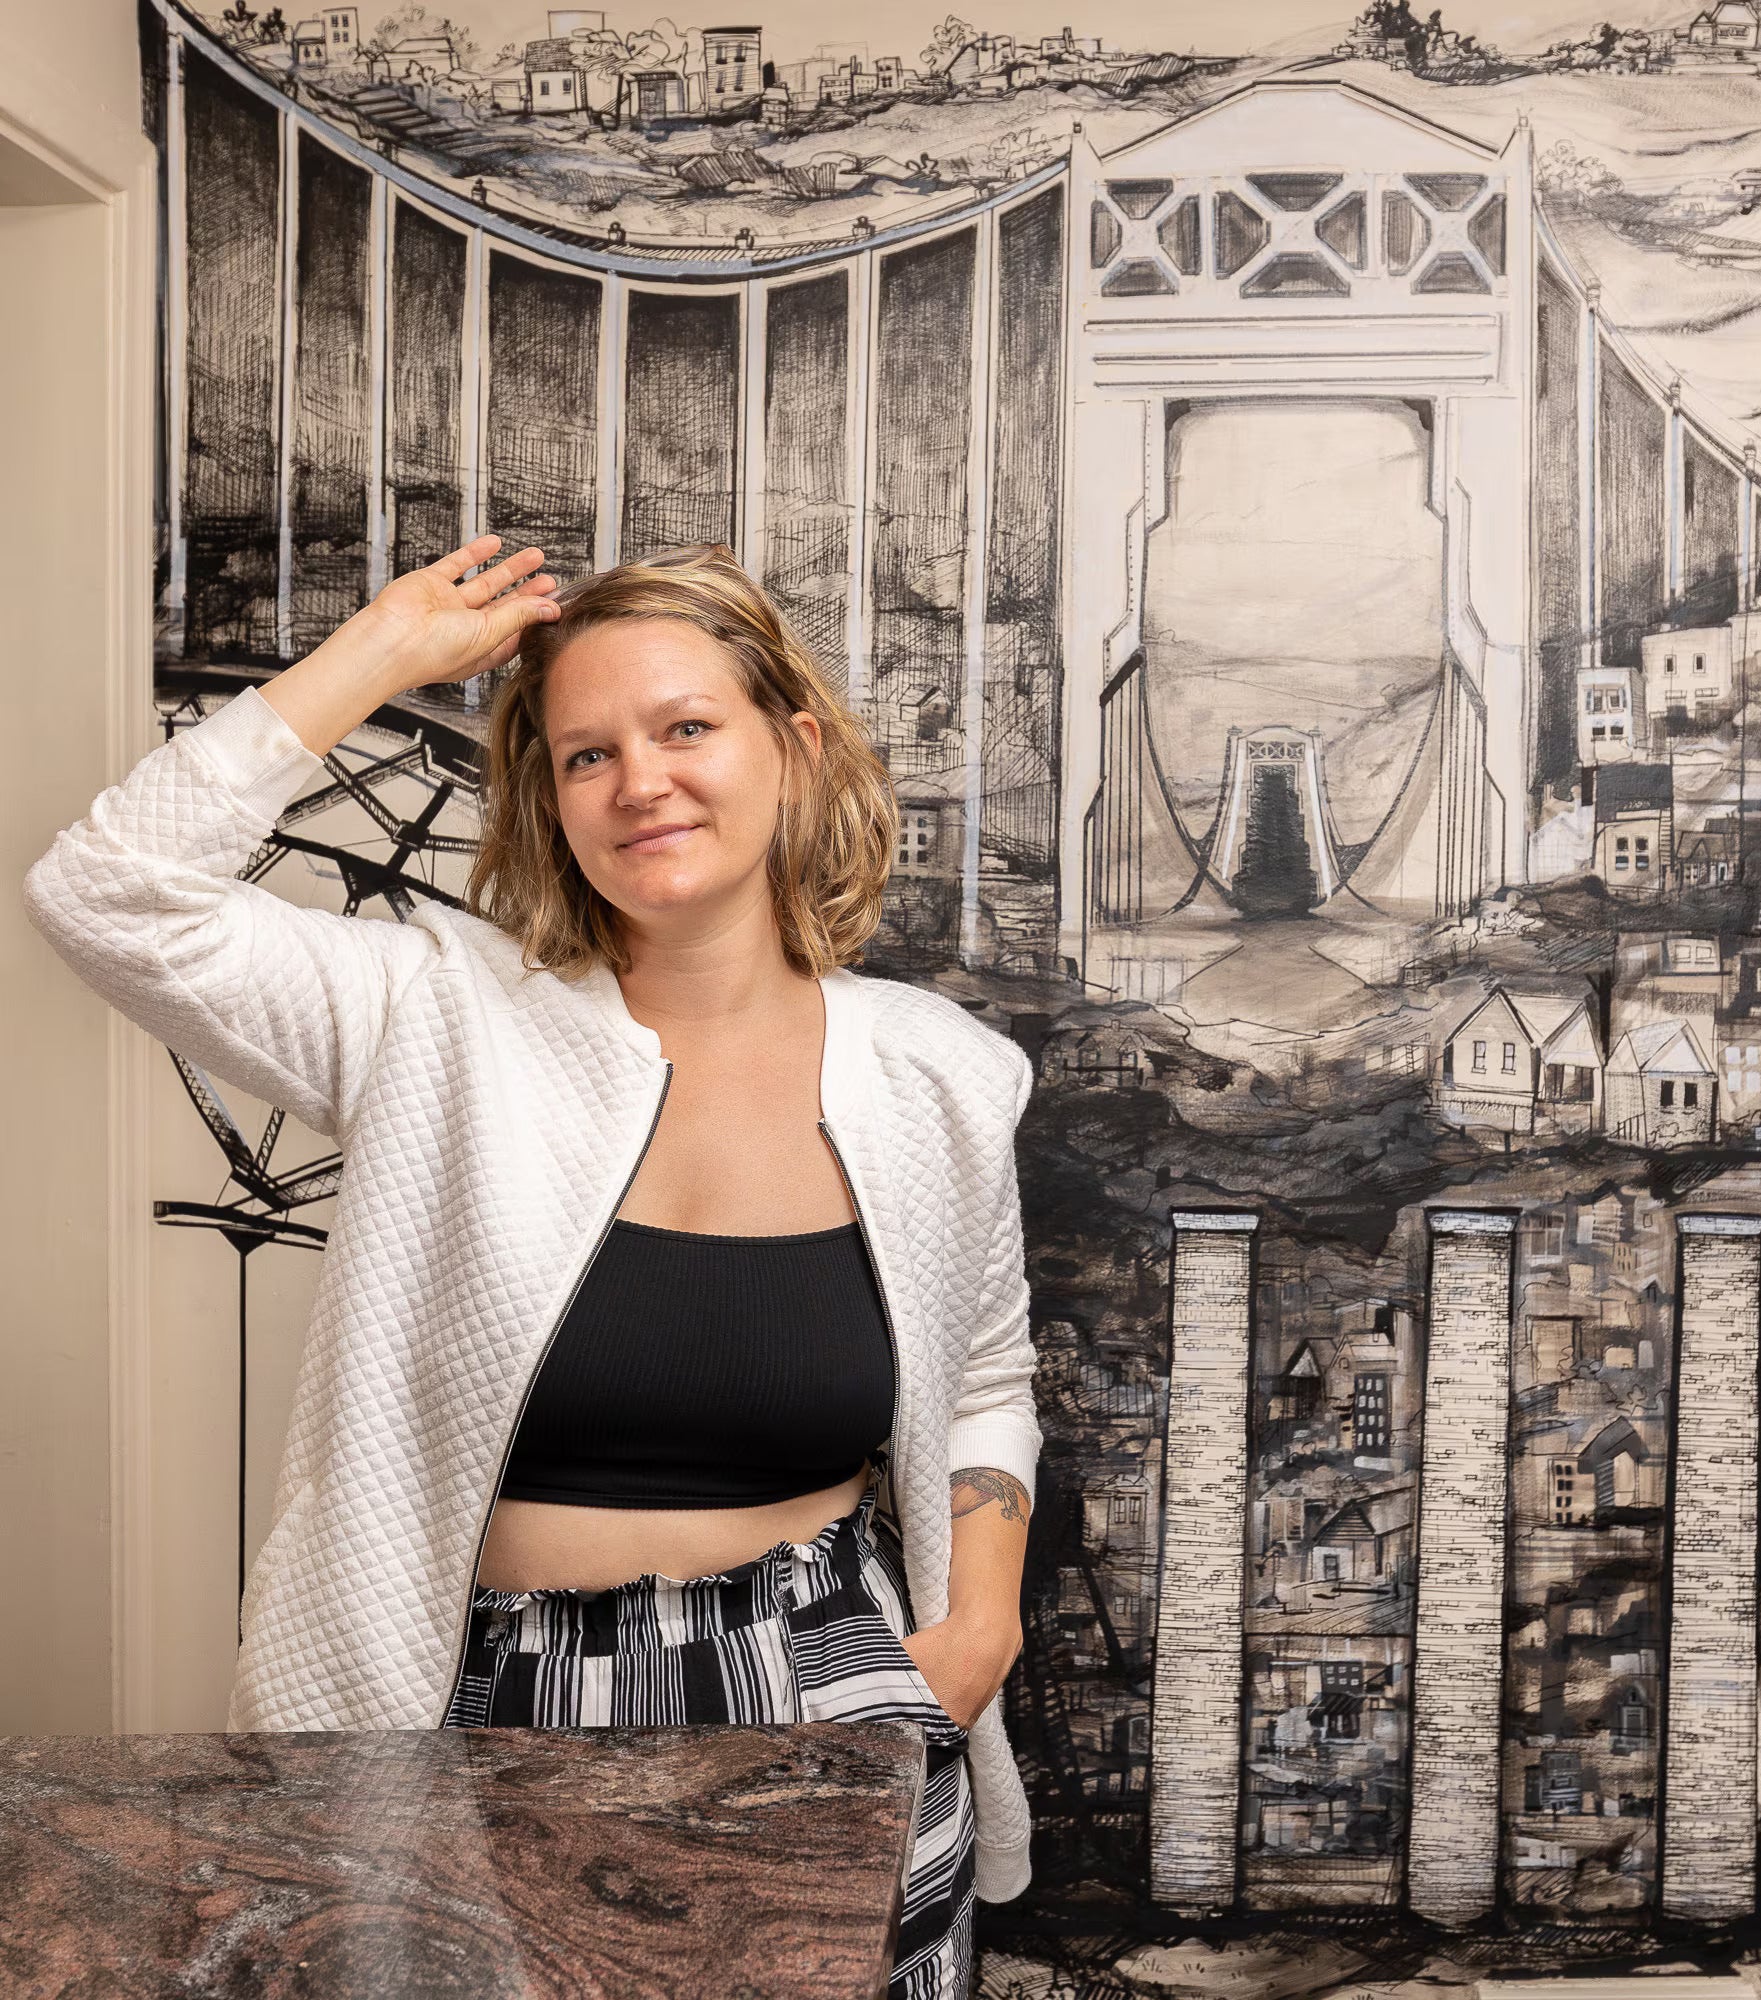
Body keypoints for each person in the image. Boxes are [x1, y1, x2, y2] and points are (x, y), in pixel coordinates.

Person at [21, 534, 1043, 1999]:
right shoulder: (428, 1012)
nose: (640, 784)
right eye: (586, 755)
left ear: (796, 750)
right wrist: (378, 655)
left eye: (687, 728)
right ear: (549, 800)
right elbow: (106, 894)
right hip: (470, 1695)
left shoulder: (944, 1075)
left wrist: (978, 1627)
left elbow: (987, 1372)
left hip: (822, 1681)